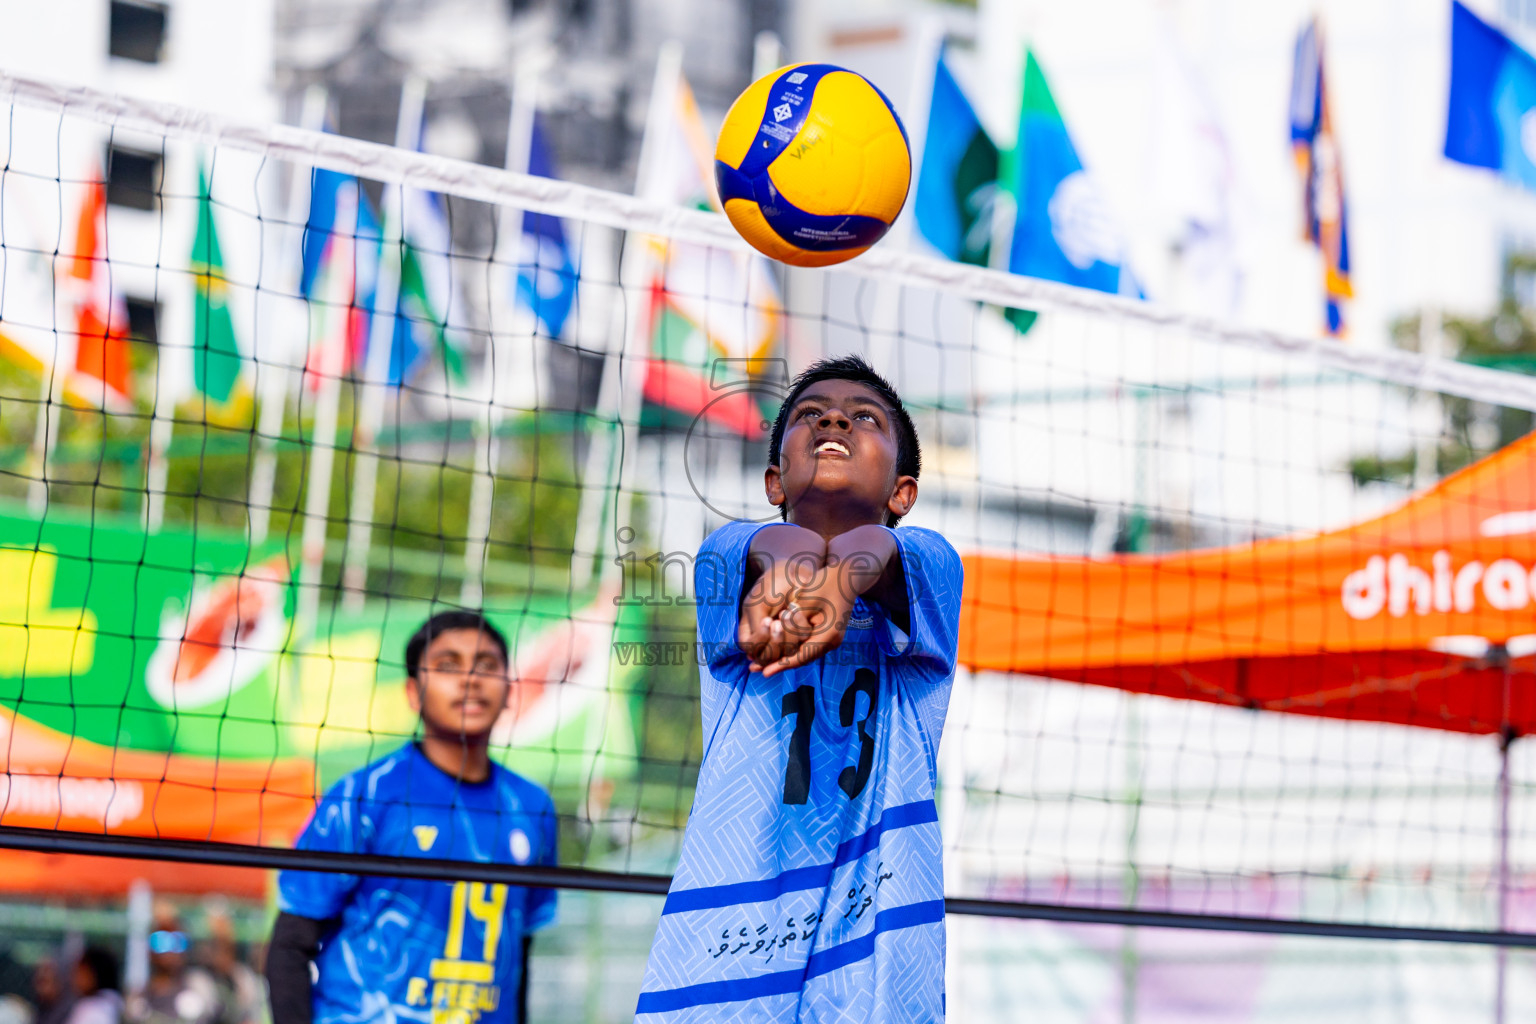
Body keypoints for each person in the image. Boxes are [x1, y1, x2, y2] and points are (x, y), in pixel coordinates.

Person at [635, 356, 963, 1022]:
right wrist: (791, 563)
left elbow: (892, 554)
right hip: (731, 958)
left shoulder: (931, 571)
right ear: (775, 479)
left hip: (875, 950)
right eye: (811, 414)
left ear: (902, 493)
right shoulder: (729, 562)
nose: (835, 418)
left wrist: (841, 579)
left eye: (863, 417)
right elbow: (762, 546)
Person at [266, 611, 558, 1024]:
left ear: (510, 688)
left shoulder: (532, 808)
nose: (470, 678)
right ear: (412, 692)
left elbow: (519, 957)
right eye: (447, 665)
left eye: (487, 665)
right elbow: (289, 946)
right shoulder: (364, 796)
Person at [124, 910, 221, 1024]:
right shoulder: (137, 1000)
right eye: (161, 941)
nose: (170, 950)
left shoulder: (199, 988)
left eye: (178, 941)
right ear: (149, 949)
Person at [65, 948, 122, 1024]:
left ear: (94, 974)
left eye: (80, 972)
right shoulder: (113, 1004)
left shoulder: (89, 1009)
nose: (74, 978)